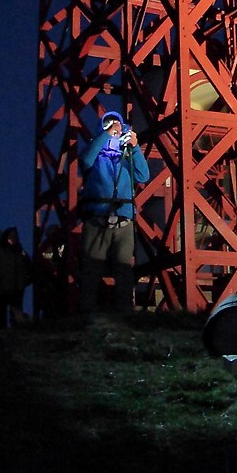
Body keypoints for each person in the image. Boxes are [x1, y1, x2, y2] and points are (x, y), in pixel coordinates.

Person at [77, 104, 150, 315]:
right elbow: (85, 160)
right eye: (109, 124)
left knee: (124, 270)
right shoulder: (95, 154)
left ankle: (125, 312)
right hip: (97, 217)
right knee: (92, 268)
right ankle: (88, 312)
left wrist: (135, 147)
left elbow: (143, 176)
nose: (115, 128)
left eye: (117, 124)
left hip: (123, 219)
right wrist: (105, 134)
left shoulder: (126, 157)